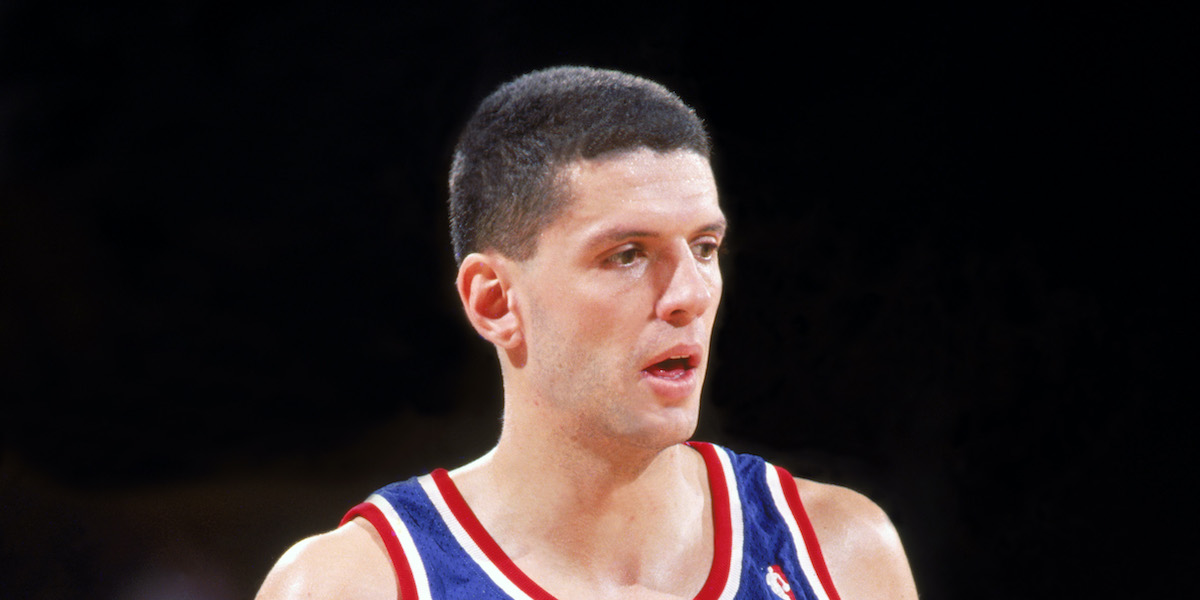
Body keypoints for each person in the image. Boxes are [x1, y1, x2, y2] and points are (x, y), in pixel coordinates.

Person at [257, 66, 918, 600]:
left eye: (705, 246)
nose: (689, 294)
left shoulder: (838, 556)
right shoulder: (358, 584)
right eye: (627, 254)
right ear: (495, 301)